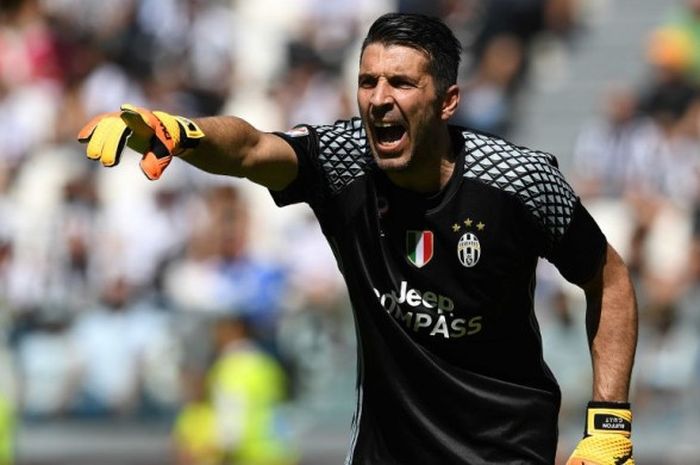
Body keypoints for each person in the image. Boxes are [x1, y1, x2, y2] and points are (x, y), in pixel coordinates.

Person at [77, 13, 638, 465]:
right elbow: (250, 148)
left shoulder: (519, 180)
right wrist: (184, 133)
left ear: (447, 101)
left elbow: (608, 278)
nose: (378, 97)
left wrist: (609, 424)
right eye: (368, 81)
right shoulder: (343, 162)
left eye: (401, 82)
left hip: (505, 451)